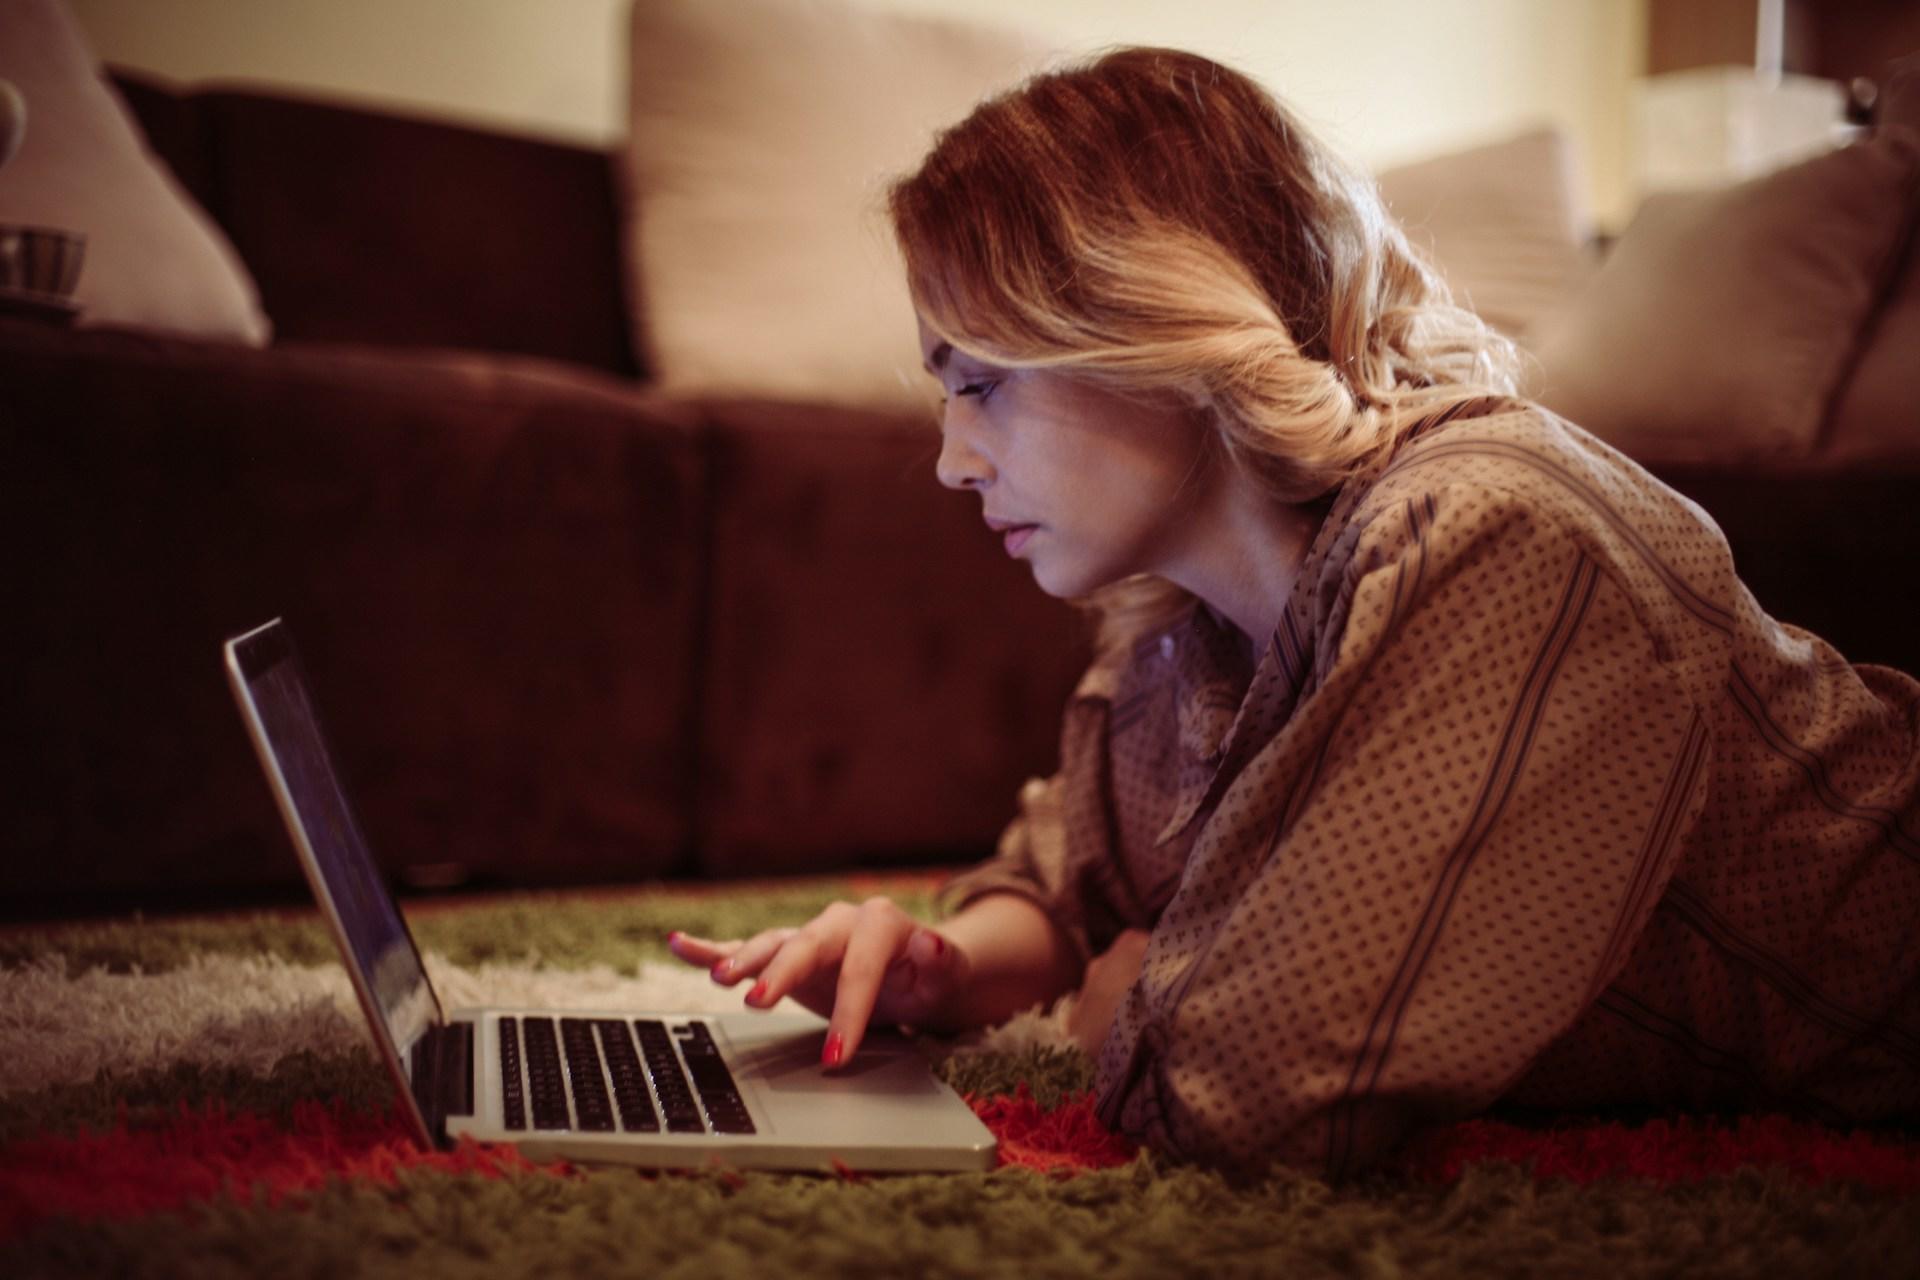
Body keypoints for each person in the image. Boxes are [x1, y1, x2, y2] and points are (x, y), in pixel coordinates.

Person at [669, 46, 1920, 1178]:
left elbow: (1247, 1089)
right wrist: (948, 963)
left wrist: (1138, 991)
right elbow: (1063, 880)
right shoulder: (1184, 633)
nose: (951, 460)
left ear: (1156, 328)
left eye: (983, 384)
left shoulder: (1498, 533)